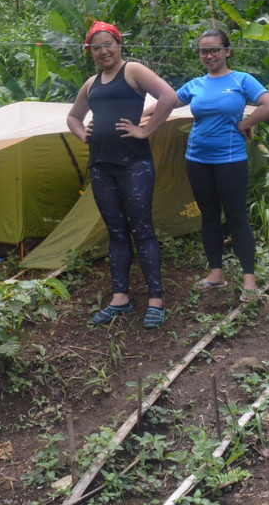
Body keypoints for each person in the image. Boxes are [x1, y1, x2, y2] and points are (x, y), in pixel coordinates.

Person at [66, 21, 178, 329]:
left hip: (134, 164)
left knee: (142, 229)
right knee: (116, 231)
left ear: (119, 44)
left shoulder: (133, 70)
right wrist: (83, 134)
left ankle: (156, 298)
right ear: (90, 52)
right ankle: (120, 297)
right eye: (96, 47)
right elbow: (73, 117)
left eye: (108, 44)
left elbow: (168, 96)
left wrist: (145, 130)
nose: (103, 51)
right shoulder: (91, 83)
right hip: (101, 164)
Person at [172, 28, 269, 302]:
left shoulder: (242, 80)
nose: (209, 56)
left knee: (237, 217)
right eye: (203, 51)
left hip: (230, 161)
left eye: (214, 50)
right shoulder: (196, 84)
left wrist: (245, 123)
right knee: (208, 217)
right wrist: (136, 118)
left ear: (227, 52)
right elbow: (166, 103)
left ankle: (249, 280)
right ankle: (216, 274)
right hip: (196, 159)